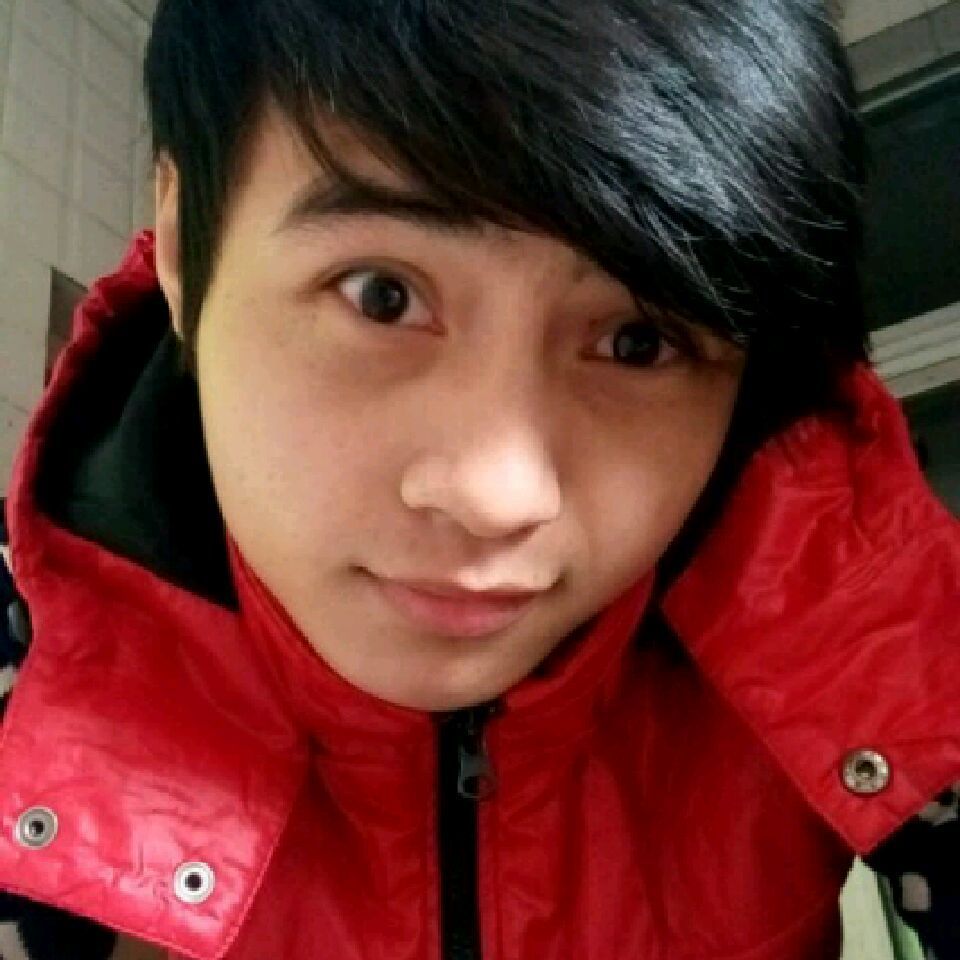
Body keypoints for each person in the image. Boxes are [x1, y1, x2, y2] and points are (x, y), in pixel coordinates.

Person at [0, 0, 957, 957]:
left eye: (638, 341)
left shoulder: (847, 605)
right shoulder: (21, 667)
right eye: (383, 296)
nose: (498, 496)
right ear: (180, 242)